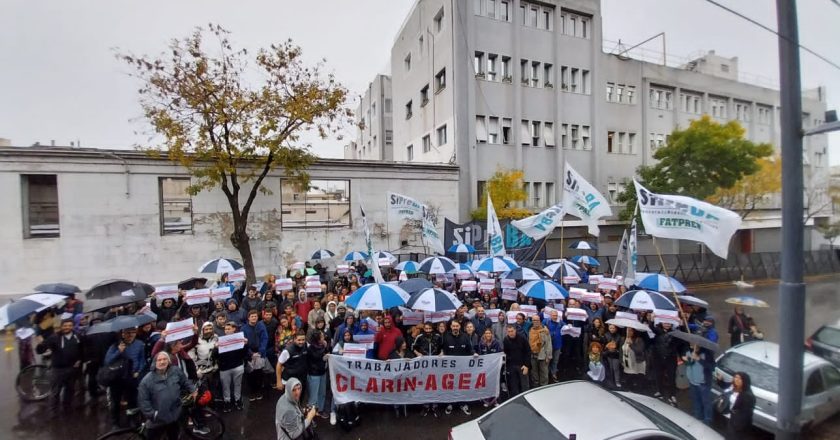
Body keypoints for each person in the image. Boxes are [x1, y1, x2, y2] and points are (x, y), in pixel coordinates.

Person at [138, 351, 197, 440]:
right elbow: (143, 401)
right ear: (155, 362)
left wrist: (192, 389)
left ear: (169, 361)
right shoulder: (146, 381)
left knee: (173, 436)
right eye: (159, 360)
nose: (162, 362)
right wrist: (153, 415)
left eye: (165, 359)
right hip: (158, 420)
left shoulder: (176, 371)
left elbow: (185, 381)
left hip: (174, 416)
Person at [35, 317, 83, 410]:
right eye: (65, 326)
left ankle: (67, 408)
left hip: (72, 368)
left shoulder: (78, 336)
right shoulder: (54, 337)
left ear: (73, 326)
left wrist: (80, 360)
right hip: (58, 370)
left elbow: (82, 350)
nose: (67, 327)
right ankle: (53, 411)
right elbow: (41, 349)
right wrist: (41, 346)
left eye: (69, 326)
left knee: (69, 390)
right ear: (61, 326)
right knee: (55, 392)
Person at [104, 327, 146, 425]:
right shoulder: (116, 345)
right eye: (128, 333)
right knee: (116, 401)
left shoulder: (139, 344)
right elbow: (107, 361)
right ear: (122, 334)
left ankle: (132, 420)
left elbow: (142, 360)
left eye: (133, 333)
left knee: (133, 401)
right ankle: (115, 422)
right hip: (117, 378)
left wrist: (138, 371)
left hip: (132, 377)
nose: (130, 335)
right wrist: (119, 351)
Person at [442, 320, 474, 415]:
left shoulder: (465, 336)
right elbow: (444, 350)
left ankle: (463, 403)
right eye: (453, 326)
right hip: (450, 368)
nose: (455, 328)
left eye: (457, 326)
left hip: (463, 368)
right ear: (451, 327)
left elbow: (470, 349)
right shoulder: (446, 337)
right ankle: (450, 403)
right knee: (450, 386)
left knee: (463, 386)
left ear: (459, 327)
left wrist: (474, 353)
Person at [216, 321, 247, 412]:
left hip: (237, 366)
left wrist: (245, 345)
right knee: (226, 386)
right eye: (225, 329)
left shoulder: (239, 339)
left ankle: (238, 400)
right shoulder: (221, 340)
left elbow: (244, 353)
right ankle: (227, 401)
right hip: (225, 368)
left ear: (234, 329)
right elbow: (215, 356)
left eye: (229, 329)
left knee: (238, 384)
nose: (227, 331)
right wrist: (216, 348)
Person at [242, 309, 270, 401]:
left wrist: (261, 350)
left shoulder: (261, 326)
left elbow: (264, 338)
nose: (254, 318)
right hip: (249, 353)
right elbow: (243, 342)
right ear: (248, 318)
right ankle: (252, 392)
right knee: (250, 373)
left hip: (260, 352)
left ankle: (258, 391)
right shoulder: (244, 328)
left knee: (259, 373)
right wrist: (250, 353)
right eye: (252, 316)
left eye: (255, 316)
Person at [305, 329, 329, 418]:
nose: (324, 338)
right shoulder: (311, 348)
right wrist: (325, 348)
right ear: (318, 339)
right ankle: (310, 415)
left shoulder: (322, 345)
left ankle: (320, 410)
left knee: (322, 393)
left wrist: (325, 347)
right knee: (313, 396)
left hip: (322, 372)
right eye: (322, 337)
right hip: (314, 374)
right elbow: (317, 356)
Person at [725, 372, 756, 439]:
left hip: (739, 425)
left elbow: (747, 414)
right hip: (733, 420)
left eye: (740, 378)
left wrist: (737, 426)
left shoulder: (747, 395)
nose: (737, 379)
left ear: (745, 381)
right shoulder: (735, 388)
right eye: (736, 377)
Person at [503, 324, 531, 398]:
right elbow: (506, 352)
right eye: (509, 331)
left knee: (524, 384)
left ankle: (527, 398)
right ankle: (516, 399)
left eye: (512, 331)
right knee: (513, 385)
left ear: (515, 330)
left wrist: (526, 365)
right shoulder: (506, 339)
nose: (511, 333)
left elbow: (528, 352)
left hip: (522, 365)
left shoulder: (522, 338)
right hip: (512, 366)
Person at [477, 328, 502, 407]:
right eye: (486, 333)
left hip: (494, 367)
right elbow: (480, 354)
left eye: (489, 333)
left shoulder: (496, 343)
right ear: (484, 334)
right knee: (486, 384)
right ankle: (486, 400)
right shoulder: (481, 343)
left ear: (492, 334)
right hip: (485, 368)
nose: (488, 335)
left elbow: (499, 353)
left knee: (494, 384)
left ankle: (495, 401)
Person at [528, 315, 552, 388]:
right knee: (534, 373)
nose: (535, 322)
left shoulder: (545, 330)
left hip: (542, 355)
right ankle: (536, 387)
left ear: (540, 321)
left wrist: (548, 356)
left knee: (544, 373)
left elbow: (548, 344)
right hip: (532, 355)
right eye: (534, 320)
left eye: (537, 320)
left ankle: (543, 387)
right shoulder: (530, 330)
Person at [621, 327, 647, 393]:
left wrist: (631, 344)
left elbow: (639, 351)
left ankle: (638, 391)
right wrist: (621, 360)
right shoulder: (623, 339)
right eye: (628, 331)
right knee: (629, 376)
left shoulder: (639, 339)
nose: (629, 332)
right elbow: (621, 350)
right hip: (628, 361)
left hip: (638, 362)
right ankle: (629, 389)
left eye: (631, 331)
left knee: (638, 377)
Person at [542, 310, 564, 382]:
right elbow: (540, 327)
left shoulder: (560, 322)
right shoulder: (546, 321)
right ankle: (546, 375)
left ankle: (553, 374)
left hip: (558, 345)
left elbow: (566, 327)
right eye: (553, 315)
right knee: (547, 361)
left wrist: (569, 326)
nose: (555, 317)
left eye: (556, 315)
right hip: (548, 345)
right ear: (550, 315)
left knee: (555, 361)